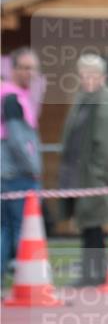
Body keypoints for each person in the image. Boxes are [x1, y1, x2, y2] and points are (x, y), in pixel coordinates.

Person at [58, 53, 108, 286]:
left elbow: (103, 144)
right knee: (87, 224)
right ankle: (91, 272)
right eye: (83, 74)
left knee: (93, 224)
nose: (87, 78)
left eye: (91, 74)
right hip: (81, 174)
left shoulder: (103, 101)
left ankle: (94, 273)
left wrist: (97, 175)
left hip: (93, 176)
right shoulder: (84, 99)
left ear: (102, 76)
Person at [1, 48, 43, 283]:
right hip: (16, 172)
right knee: (23, 229)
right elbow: (18, 139)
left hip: (6, 171)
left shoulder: (12, 95)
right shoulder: (12, 98)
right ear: (14, 69)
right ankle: (28, 282)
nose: (30, 73)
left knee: (6, 229)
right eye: (25, 68)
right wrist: (33, 167)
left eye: (33, 68)